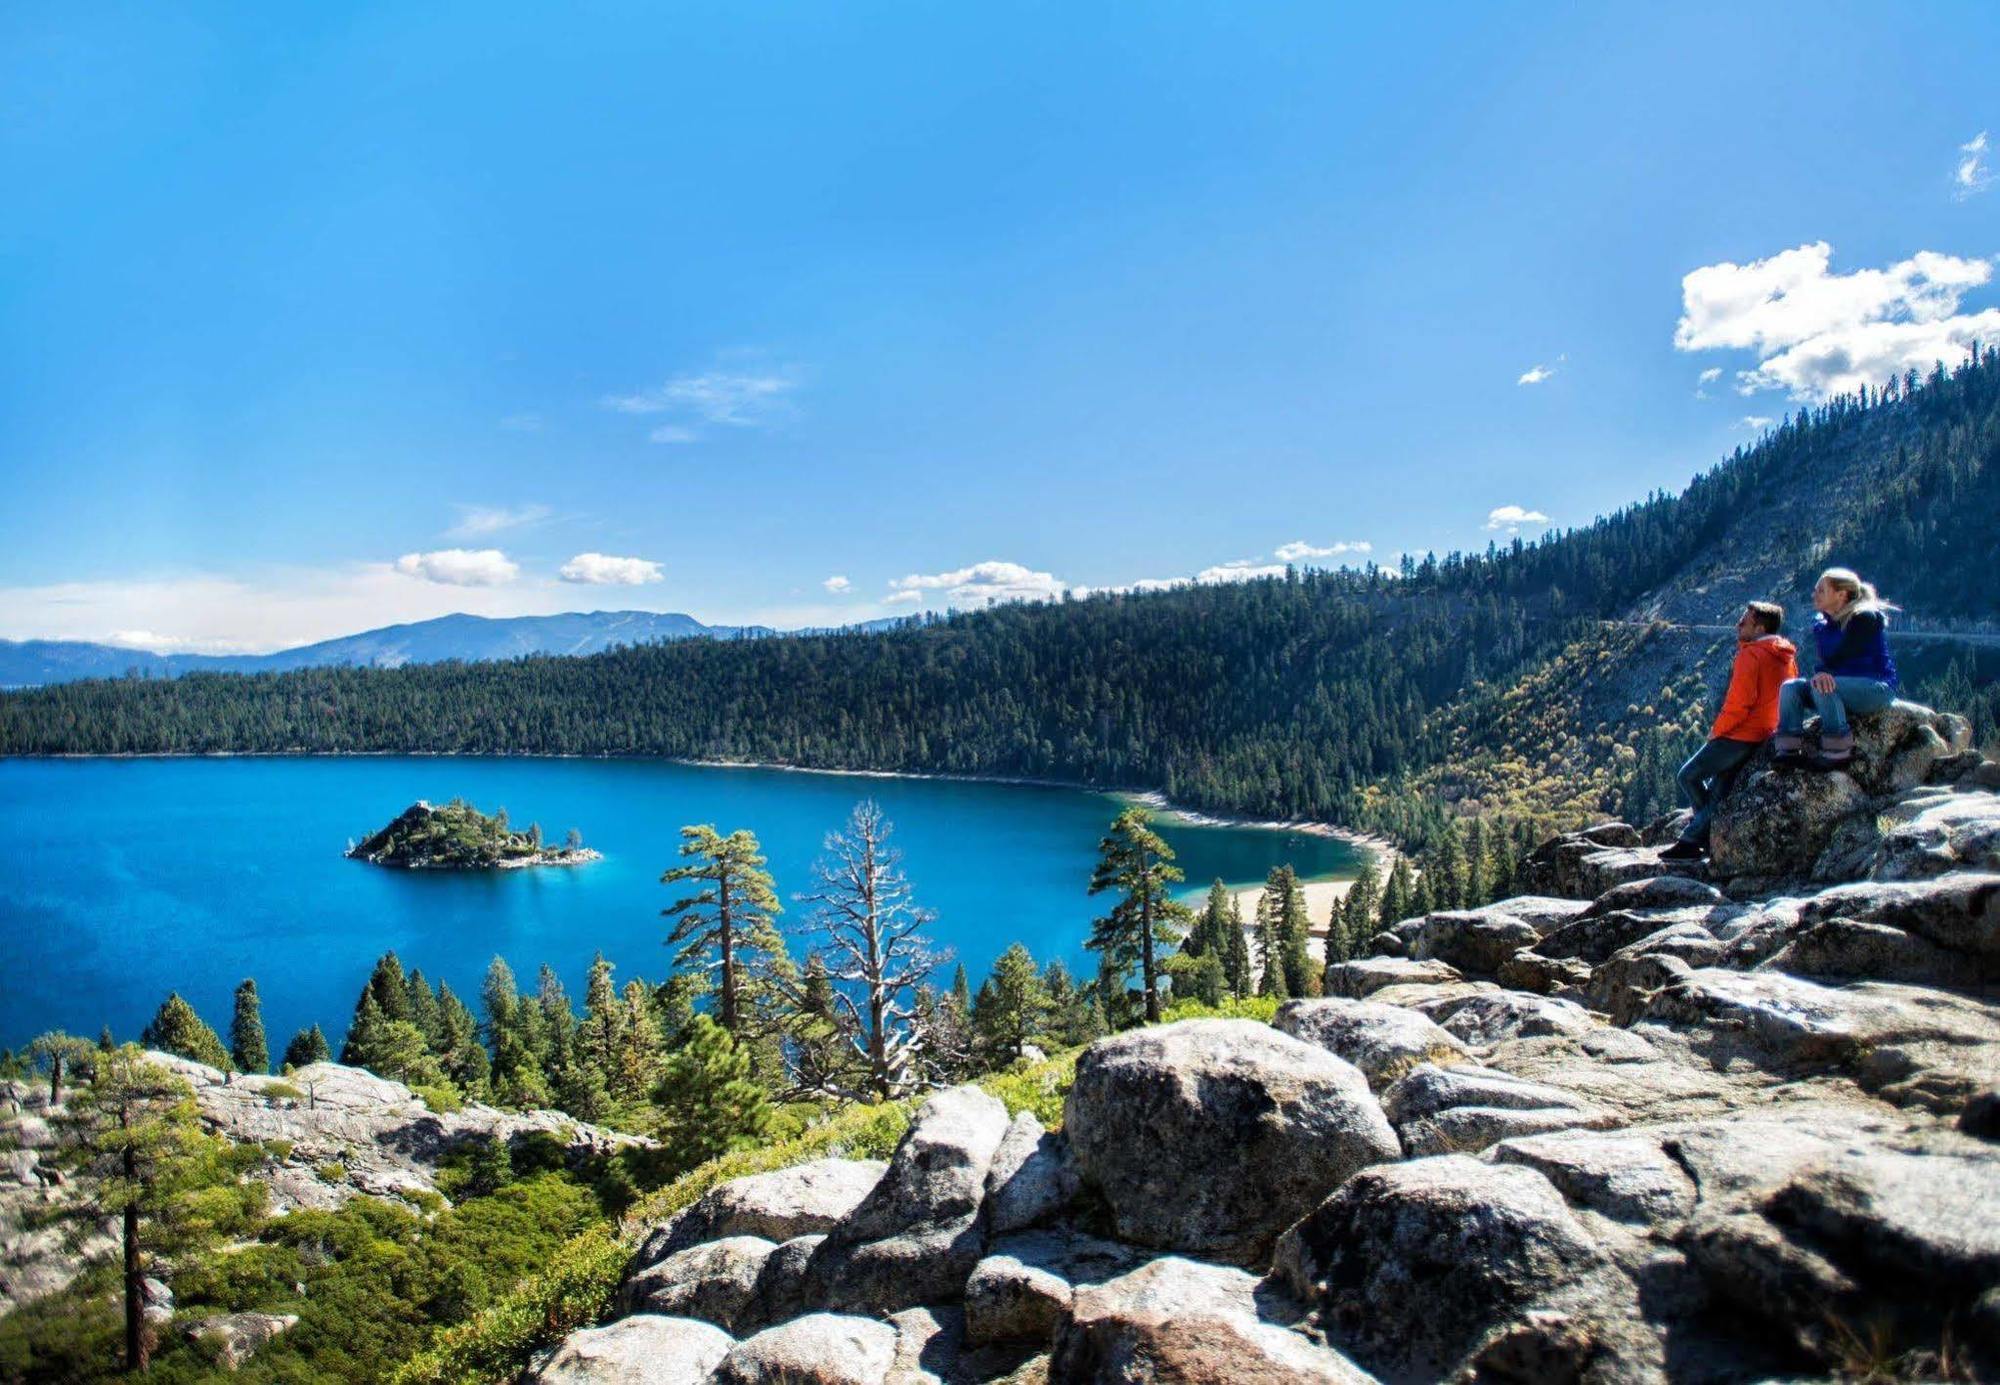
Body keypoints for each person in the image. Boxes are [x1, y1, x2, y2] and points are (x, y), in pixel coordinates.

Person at [1659, 602, 1795, 861]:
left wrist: (1717, 731)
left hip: (1739, 734)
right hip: (1766, 733)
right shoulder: (1784, 656)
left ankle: (1694, 837)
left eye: (1744, 621)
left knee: (1688, 776)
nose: (1738, 624)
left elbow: (1738, 703)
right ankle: (1702, 839)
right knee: (1720, 789)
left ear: (1759, 626)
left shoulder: (1752, 654)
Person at [1773, 567, 1899, 771]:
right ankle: (1788, 750)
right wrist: (1823, 674)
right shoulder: (1823, 624)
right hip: (1840, 687)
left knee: (1821, 685)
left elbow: (1846, 652)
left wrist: (1824, 672)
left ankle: (1838, 750)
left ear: (1841, 594)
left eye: (1821, 590)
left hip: (1875, 687)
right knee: (1791, 687)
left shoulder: (1865, 617)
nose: (1814, 595)